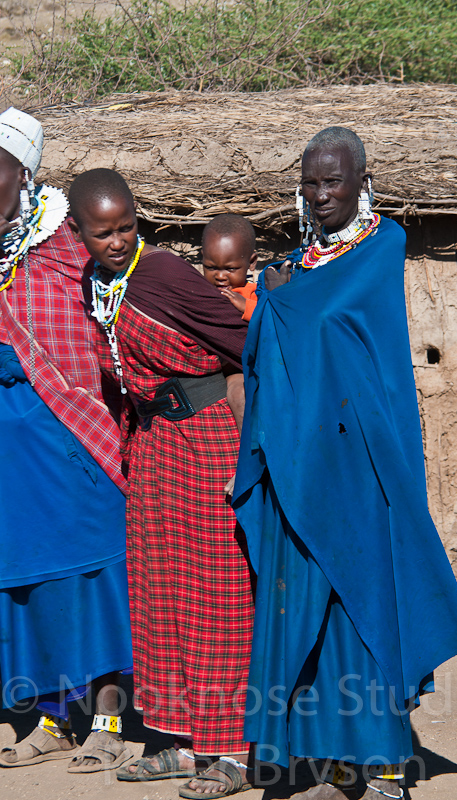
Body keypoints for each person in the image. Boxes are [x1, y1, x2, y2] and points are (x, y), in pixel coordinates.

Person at [232, 126, 457, 800]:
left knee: (363, 609)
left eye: (333, 181)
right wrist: (274, 296)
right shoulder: (296, 266)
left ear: (361, 182)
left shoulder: (380, 248)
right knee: (311, 618)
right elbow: (268, 352)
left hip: (359, 471)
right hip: (299, 468)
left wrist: (280, 295)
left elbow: (328, 318)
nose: (320, 195)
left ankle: (388, 770)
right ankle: (336, 764)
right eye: (310, 183)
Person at [68, 168, 255, 797]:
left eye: (126, 226)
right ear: (79, 233)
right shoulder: (97, 284)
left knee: (219, 591)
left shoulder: (164, 275)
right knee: (162, 592)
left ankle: (234, 750)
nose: (117, 240)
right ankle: (181, 740)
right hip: (153, 447)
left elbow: (246, 344)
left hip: (207, 441)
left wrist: (247, 445)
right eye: (102, 232)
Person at [0, 108, 133, 773]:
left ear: (23, 176)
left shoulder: (68, 241)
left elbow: (113, 326)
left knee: (92, 576)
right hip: (13, 460)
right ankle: (51, 718)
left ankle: (108, 719)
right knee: (33, 585)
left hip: (76, 441)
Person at [202, 214, 258, 322]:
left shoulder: (255, 295)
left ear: (251, 262)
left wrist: (247, 307)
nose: (220, 276)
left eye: (230, 269)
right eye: (211, 267)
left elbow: (272, 321)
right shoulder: (199, 292)